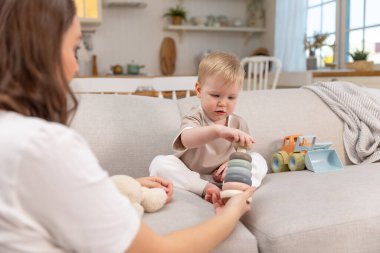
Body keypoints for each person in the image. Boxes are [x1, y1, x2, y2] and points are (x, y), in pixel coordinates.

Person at [0, 0, 254, 252]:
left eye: (231, 97)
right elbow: (159, 250)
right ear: (42, 51)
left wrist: (119, 185)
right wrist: (229, 214)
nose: (76, 67)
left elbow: (48, 194)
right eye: (75, 49)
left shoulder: (15, 135)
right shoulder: (44, 144)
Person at [149, 52, 268, 202]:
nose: (223, 103)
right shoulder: (194, 116)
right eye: (216, 95)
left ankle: (235, 188)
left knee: (258, 159)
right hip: (192, 176)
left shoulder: (238, 123)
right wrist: (217, 131)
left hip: (227, 177)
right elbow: (186, 140)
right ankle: (207, 189)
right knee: (159, 163)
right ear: (199, 90)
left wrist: (232, 164)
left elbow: (243, 151)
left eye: (231, 97)